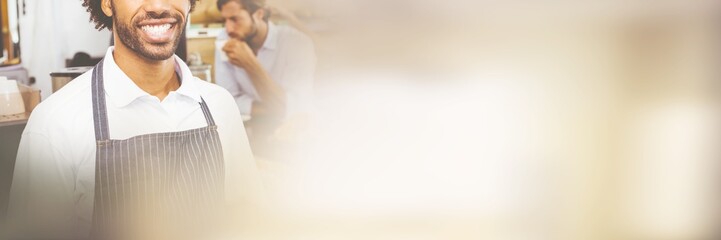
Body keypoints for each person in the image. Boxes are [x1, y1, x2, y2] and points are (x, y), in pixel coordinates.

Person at [6, 0, 263, 239]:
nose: (158, 6)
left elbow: (247, 221)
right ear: (107, 3)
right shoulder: (55, 122)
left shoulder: (220, 106)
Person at [215, 0, 316, 124]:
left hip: (293, 128)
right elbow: (227, 100)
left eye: (235, 19)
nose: (228, 28)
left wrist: (250, 63)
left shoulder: (296, 42)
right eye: (224, 20)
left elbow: (293, 105)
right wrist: (273, 109)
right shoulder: (225, 39)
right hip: (251, 124)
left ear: (259, 14)